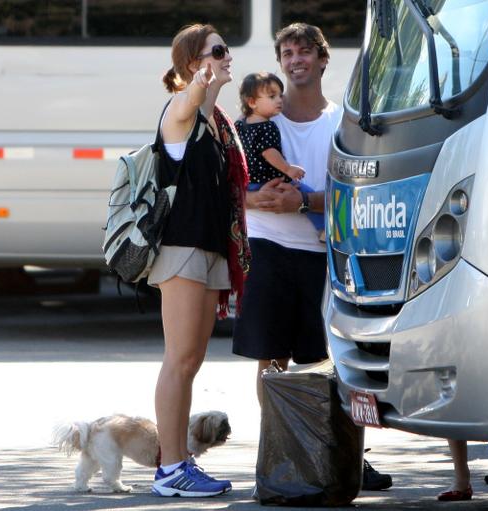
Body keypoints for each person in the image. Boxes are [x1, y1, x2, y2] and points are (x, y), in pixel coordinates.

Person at [231, 22, 391, 492]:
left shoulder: (342, 123)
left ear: (323, 60)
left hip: (325, 257)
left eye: (305, 51)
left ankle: (348, 459)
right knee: (270, 359)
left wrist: (303, 203)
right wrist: (253, 200)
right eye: (287, 52)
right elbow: (231, 187)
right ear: (279, 62)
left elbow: (358, 194)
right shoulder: (259, 121)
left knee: (338, 364)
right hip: (266, 250)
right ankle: (279, 456)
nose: (295, 59)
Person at [149, 23, 250, 498]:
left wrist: (208, 90)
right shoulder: (180, 109)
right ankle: (170, 470)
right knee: (180, 359)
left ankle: (179, 460)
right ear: (195, 62)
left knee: (191, 361)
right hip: (182, 248)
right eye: (219, 51)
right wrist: (198, 83)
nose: (229, 55)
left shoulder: (212, 119)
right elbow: (188, 100)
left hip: (209, 249)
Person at [234, 72, 324, 237]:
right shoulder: (268, 127)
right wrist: (288, 169)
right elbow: (269, 152)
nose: (279, 100)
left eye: (280, 95)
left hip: (249, 182)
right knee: (304, 192)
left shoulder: (240, 125)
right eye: (272, 96)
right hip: (269, 179)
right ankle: (323, 229)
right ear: (252, 102)